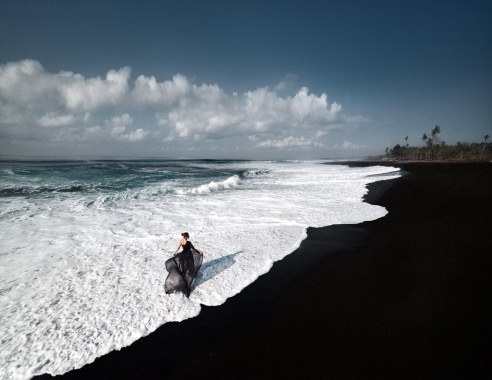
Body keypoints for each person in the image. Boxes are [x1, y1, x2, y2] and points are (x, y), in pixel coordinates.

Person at [165, 232, 203, 297]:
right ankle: (188, 277)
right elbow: (193, 249)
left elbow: (178, 247)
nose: (189, 237)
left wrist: (175, 252)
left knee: (184, 265)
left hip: (183, 255)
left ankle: (184, 274)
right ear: (186, 236)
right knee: (190, 265)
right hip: (188, 255)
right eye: (188, 236)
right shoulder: (188, 243)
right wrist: (199, 252)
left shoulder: (181, 241)